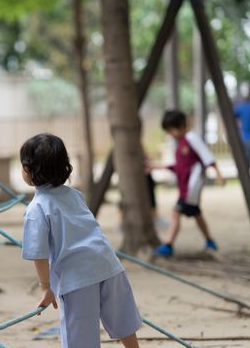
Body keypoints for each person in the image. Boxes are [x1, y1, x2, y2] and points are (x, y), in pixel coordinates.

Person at [20, 133, 141, 348]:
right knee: (124, 321)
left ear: (30, 170)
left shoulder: (36, 208)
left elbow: (39, 254)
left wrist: (45, 287)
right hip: (108, 264)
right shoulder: (74, 195)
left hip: (77, 279)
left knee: (80, 337)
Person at [154, 110, 225, 257]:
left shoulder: (191, 138)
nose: (170, 134)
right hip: (186, 187)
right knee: (196, 214)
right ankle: (210, 241)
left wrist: (218, 173)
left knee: (175, 213)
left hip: (192, 187)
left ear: (180, 126)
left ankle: (168, 245)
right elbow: (180, 166)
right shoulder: (182, 143)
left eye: (171, 130)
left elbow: (207, 155)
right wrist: (157, 166)